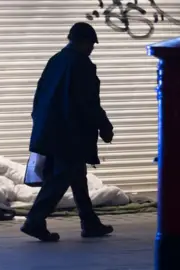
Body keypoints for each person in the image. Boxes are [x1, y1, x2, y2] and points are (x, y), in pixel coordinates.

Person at [21, 22, 114, 242]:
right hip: (69, 132)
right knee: (61, 177)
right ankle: (35, 220)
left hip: (51, 129)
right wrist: (104, 125)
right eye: (91, 44)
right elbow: (88, 101)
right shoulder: (81, 64)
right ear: (83, 42)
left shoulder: (56, 61)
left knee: (76, 174)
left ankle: (89, 221)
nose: (92, 49)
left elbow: (39, 96)